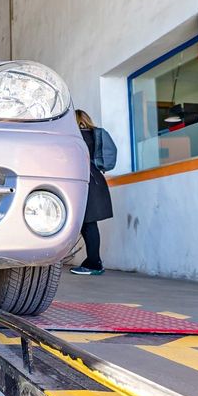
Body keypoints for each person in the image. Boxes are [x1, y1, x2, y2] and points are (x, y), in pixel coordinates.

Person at [72, 109, 115, 276]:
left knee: (87, 224)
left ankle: (94, 263)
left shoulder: (75, 138)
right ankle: (93, 260)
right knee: (89, 223)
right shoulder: (96, 135)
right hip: (96, 180)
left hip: (83, 180)